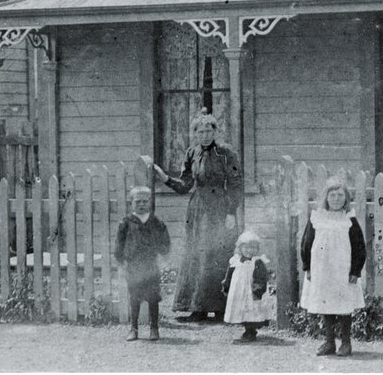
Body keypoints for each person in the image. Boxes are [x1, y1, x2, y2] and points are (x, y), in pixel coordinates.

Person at [154, 108, 242, 321]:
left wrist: (231, 212)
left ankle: (221, 309)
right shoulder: (191, 153)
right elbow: (185, 185)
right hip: (198, 209)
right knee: (198, 255)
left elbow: (236, 183)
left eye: (209, 130)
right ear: (195, 133)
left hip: (220, 207)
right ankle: (198, 308)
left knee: (218, 254)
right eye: (200, 131)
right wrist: (166, 179)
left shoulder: (226, 153)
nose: (205, 135)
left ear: (215, 131)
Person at [300, 177, 366, 357]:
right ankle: (329, 341)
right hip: (322, 270)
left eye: (340, 195)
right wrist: (308, 267)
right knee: (325, 303)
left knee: (343, 305)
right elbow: (306, 243)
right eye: (332, 195)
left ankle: (346, 342)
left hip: (342, 271)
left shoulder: (349, 219)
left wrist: (355, 271)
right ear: (326, 198)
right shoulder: (317, 218)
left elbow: (359, 247)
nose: (336, 199)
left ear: (346, 198)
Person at [114, 185, 171, 342]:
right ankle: (134, 329)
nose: (141, 205)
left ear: (150, 202)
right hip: (133, 266)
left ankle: (154, 328)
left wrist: (162, 254)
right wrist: (121, 262)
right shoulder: (126, 223)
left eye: (145, 202)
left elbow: (165, 241)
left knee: (153, 297)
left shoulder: (156, 222)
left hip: (151, 266)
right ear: (131, 203)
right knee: (134, 297)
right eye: (137, 201)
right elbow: (119, 244)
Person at [220, 230, 272, 341]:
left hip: (252, 291)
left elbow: (261, 277)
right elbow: (229, 274)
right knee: (241, 309)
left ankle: (251, 331)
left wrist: (258, 289)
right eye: (246, 248)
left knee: (252, 309)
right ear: (240, 248)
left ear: (258, 249)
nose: (249, 251)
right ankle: (246, 328)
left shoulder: (257, 262)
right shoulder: (236, 260)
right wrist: (226, 285)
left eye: (253, 248)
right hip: (239, 290)